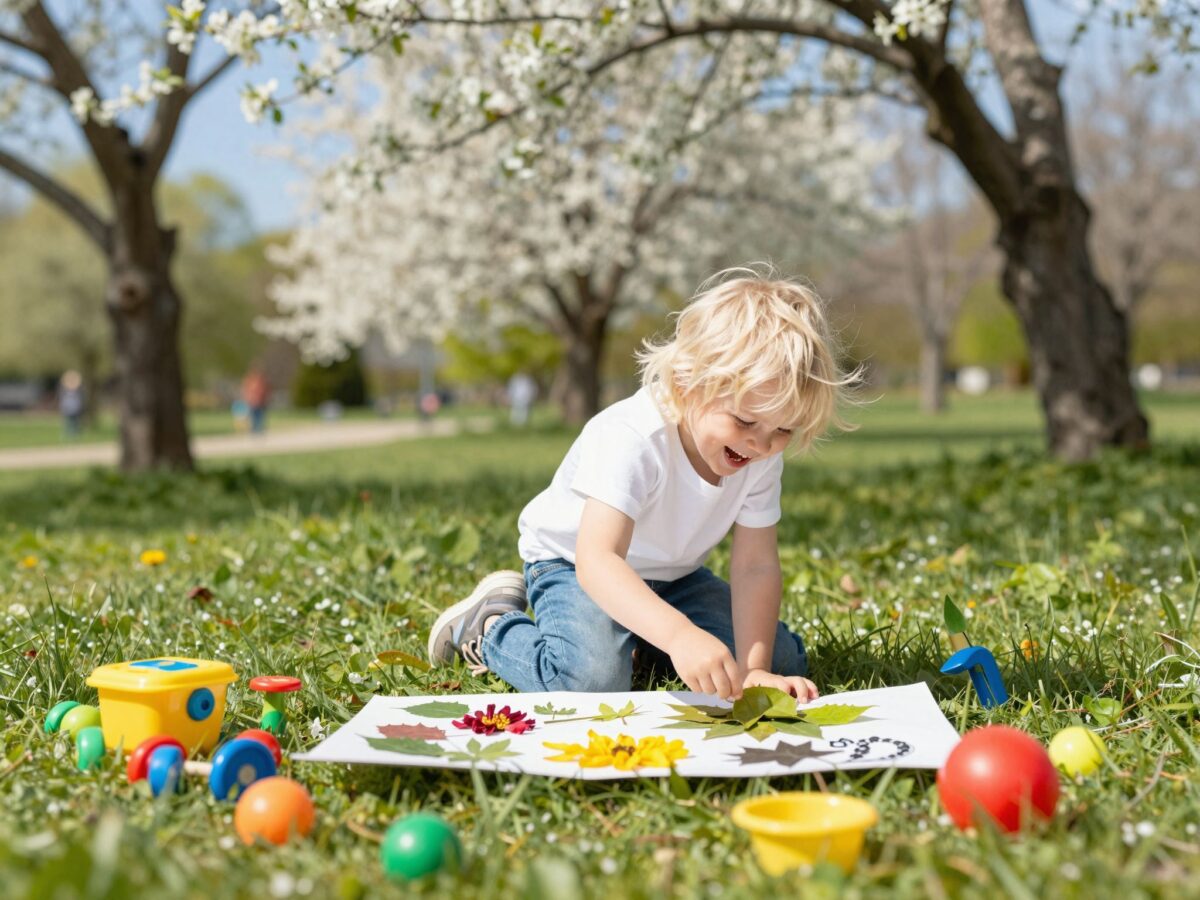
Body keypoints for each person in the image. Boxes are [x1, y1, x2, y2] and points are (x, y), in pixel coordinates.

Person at [427, 267, 856, 701]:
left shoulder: (759, 453)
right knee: (591, 682)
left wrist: (755, 669)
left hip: (674, 578)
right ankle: (487, 627)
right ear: (688, 385)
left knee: (780, 660)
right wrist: (679, 635)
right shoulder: (634, 437)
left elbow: (755, 566)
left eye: (784, 430)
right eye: (745, 421)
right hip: (573, 567)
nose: (761, 444)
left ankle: (640, 642)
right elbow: (597, 561)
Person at [241, 369, 271, 434]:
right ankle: (254, 428)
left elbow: (264, 391)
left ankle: (259, 428)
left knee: (260, 415)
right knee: (253, 416)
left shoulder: (261, 382)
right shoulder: (251, 381)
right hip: (253, 402)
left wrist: (263, 398)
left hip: (260, 402)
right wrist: (249, 398)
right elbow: (247, 391)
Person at [58, 370, 85, 438]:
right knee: (68, 421)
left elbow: (80, 400)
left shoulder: (78, 391)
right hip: (68, 408)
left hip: (75, 408)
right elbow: (62, 400)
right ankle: (68, 433)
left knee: (75, 421)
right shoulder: (65, 391)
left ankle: (75, 433)